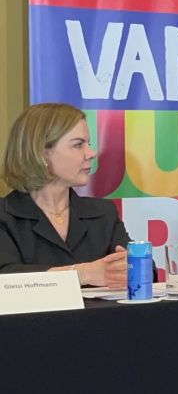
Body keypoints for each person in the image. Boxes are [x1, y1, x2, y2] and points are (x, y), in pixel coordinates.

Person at [0, 103, 130, 288]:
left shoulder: (103, 213)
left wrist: (131, 269)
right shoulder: (6, 216)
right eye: (78, 145)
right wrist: (83, 274)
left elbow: (148, 272)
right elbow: (5, 279)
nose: (91, 153)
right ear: (42, 154)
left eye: (89, 143)